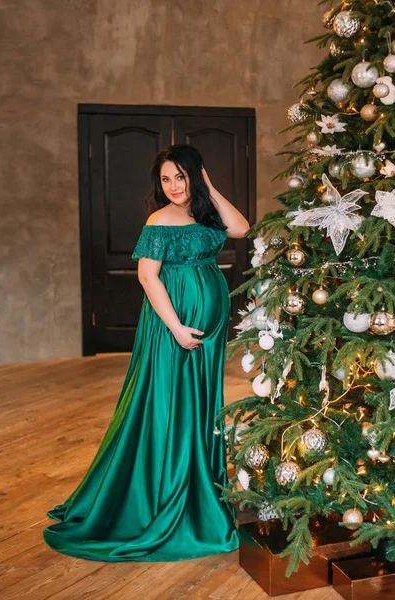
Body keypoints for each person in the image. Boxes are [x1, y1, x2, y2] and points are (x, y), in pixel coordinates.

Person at [43, 144, 250, 562]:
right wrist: (175, 328)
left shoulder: (204, 212)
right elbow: (147, 275)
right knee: (172, 403)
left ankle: (200, 484)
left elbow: (241, 228)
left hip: (206, 329)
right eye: (165, 179)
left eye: (181, 176)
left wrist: (207, 184)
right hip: (174, 326)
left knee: (200, 403)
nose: (173, 186)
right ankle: (168, 488)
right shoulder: (160, 219)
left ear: (195, 174)